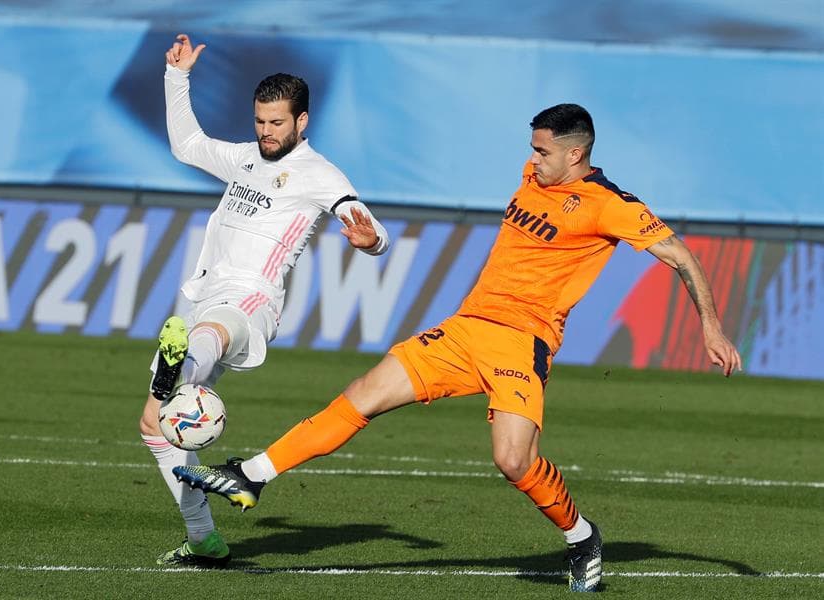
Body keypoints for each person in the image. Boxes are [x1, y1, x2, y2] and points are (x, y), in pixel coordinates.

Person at [174, 103, 742, 591]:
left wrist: (711, 329)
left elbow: (682, 257)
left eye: (543, 151)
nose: (533, 159)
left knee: (512, 460)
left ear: (576, 155)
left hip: (523, 342)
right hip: (467, 325)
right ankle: (251, 474)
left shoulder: (608, 204)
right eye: (532, 149)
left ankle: (582, 536)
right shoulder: (534, 174)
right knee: (364, 392)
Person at [141, 34, 391, 567]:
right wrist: (176, 77)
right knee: (155, 424)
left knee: (209, 336)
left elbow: (363, 220)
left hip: (253, 299)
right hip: (202, 289)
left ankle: (179, 367)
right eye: (259, 121)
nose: (265, 132)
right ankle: (204, 537)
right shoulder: (244, 159)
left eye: (276, 123)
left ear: (302, 122)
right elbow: (187, 145)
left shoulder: (320, 174)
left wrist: (373, 241)